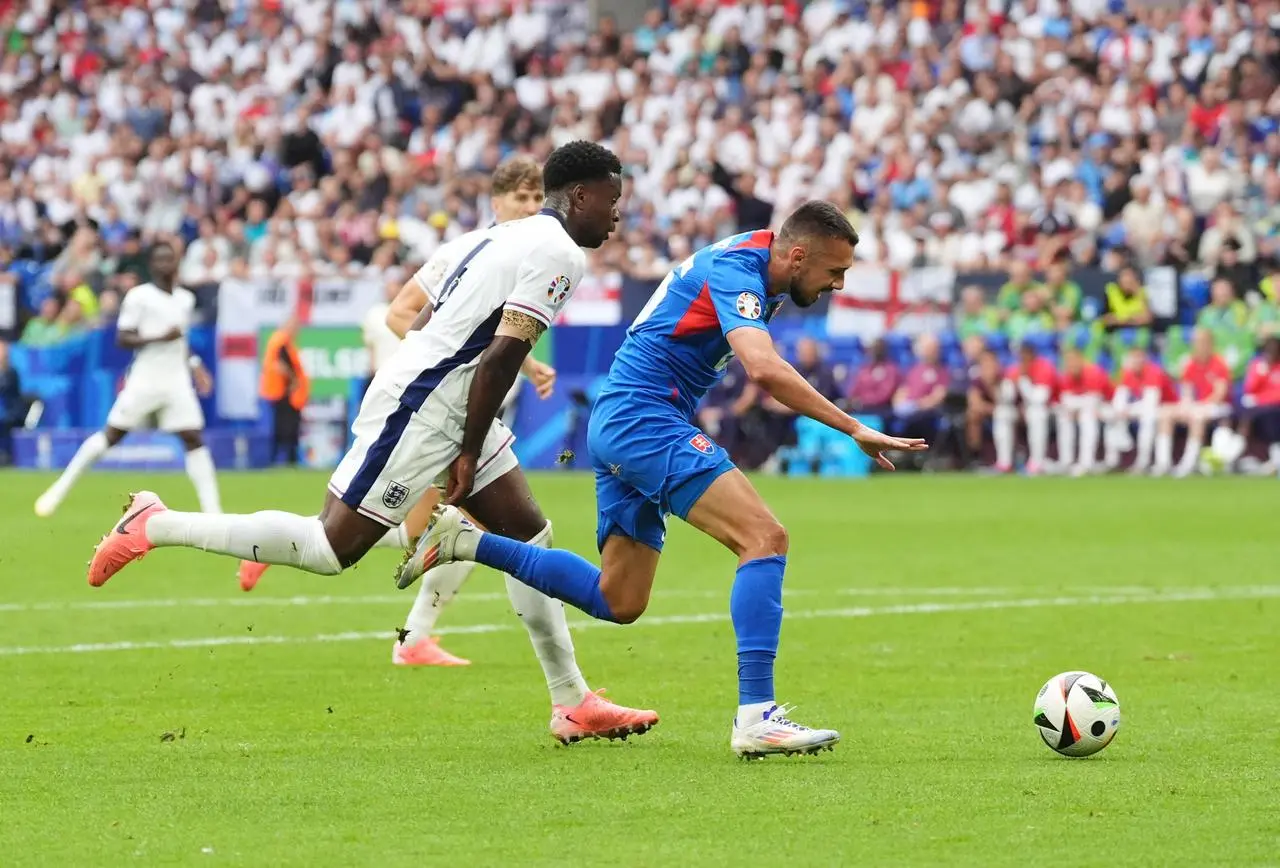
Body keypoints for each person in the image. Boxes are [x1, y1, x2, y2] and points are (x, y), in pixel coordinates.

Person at [88, 142, 659, 745]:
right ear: (579, 195)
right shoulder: (558, 251)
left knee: (526, 534)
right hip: (428, 408)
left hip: (443, 398)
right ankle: (157, 522)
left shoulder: (491, 238)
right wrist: (462, 445)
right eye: (612, 200)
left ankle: (572, 701)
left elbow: (417, 321)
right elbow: (498, 361)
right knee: (328, 548)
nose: (617, 214)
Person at [399, 202, 926, 758]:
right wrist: (853, 429)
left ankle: (464, 541)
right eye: (834, 272)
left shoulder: (760, 260)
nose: (839, 285)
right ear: (796, 257)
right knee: (764, 538)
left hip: (626, 419)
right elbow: (764, 368)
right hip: (642, 419)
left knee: (618, 599)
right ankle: (756, 716)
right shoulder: (738, 272)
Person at [239, 156, 557, 673]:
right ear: (495, 202)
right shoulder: (475, 252)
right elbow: (404, 316)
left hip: (446, 411)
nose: (530, 206)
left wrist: (528, 364)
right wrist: (446, 363)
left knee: (449, 528)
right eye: (520, 197)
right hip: (420, 412)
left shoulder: (518, 257)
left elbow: (484, 339)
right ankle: (268, 544)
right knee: (408, 532)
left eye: (536, 198)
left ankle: (416, 636)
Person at [35, 244, 221, 517]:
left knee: (192, 437)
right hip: (146, 377)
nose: (165, 264)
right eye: (159, 259)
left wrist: (196, 366)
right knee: (112, 434)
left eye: (169, 258)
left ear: (176, 263)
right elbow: (123, 338)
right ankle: (59, 489)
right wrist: (159, 337)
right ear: (151, 265)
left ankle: (213, 514)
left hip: (176, 379)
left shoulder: (184, 299)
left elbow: (180, 341)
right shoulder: (139, 296)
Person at [1152, 328, 1231, 477]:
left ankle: (1188, 463)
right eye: (1195, 342)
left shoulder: (1219, 364)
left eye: (1201, 342)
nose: (1197, 346)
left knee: (1197, 417)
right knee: (1165, 413)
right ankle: (1163, 463)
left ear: (1210, 344)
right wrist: (1185, 406)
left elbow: (1220, 394)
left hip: (1218, 407)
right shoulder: (1190, 363)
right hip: (1197, 405)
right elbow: (1186, 391)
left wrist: (1198, 406)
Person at [1106, 346, 1177, 472]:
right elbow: (1119, 399)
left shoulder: (1153, 372)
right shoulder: (1128, 373)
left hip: (1168, 406)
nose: (1136, 362)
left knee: (1147, 418)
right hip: (1145, 408)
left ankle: (1143, 461)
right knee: (1112, 415)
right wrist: (1120, 411)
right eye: (1133, 359)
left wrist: (1127, 410)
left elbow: (1151, 402)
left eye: (1139, 359)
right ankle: (1112, 461)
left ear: (1144, 360)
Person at [993, 342, 1058, 474]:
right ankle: (1004, 462)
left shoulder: (1044, 368)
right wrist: (1008, 385)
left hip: (1049, 409)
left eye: (1024, 354)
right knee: (1002, 413)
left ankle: (1036, 461)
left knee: (1036, 413)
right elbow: (1006, 397)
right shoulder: (1014, 369)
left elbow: (1040, 399)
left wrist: (1023, 380)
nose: (1022, 358)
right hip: (1022, 410)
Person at [259, 315, 309, 466]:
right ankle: (285, 460)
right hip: (283, 393)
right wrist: (294, 380)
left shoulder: (280, 342)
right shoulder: (281, 342)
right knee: (286, 428)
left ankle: (283, 459)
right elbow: (281, 364)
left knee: (284, 427)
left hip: (281, 392)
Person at [1055, 346, 1113, 476]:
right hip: (1082, 409)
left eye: (1073, 360)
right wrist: (1076, 407)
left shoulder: (1094, 372)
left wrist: (1077, 406)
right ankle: (1066, 461)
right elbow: (1066, 401)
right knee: (1065, 417)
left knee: (1087, 417)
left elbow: (1094, 400)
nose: (1071, 364)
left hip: (1109, 406)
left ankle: (1086, 462)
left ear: (1081, 360)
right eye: (1068, 361)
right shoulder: (1066, 376)